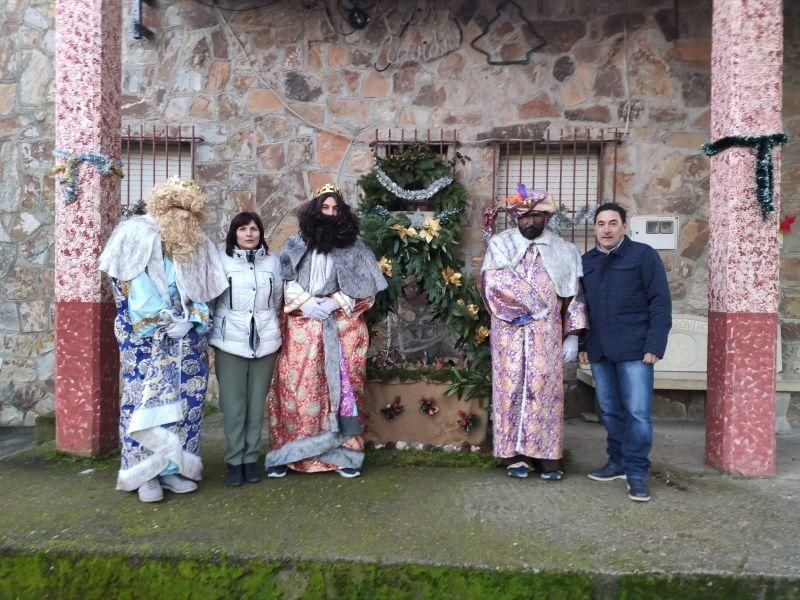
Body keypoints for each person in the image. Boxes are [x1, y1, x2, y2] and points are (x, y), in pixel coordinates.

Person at [99, 178, 228, 503]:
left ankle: (174, 469)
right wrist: (158, 320)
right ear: (162, 207)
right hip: (146, 342)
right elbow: (126, 286)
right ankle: (144, 474)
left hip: (186, 344)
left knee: (186, 405)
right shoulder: (133, 234)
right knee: (144, 404)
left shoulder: (199, 244)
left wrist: (191, 321)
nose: (183, 216)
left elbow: (206, 292)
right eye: (177, 208)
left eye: (189, 211)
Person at [265, 183, 387, 478]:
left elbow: (367, 288)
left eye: (336, 209)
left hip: (342, 329)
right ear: (315, 210)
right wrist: (305, 303)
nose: (330, 213)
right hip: (302, 329)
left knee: (343, 389)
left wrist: (335, 302)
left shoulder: (355, 247)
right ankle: (291, 454)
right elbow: (283, 280)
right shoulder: (296, 243)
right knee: (297, 387)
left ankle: (344, 455)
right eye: (325, 207)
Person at [481, 187, 588, 480]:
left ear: (546, 217)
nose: (530, 222)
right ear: (517, 217)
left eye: (536, 216)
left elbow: (575, 295)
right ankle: (513, 455)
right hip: (509, 333)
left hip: (548, 336)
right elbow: (495, 283)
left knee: (545, 393)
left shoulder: (565, 250)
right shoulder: (501, 245)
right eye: (524, 216)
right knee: (510, 389)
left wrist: (573, 335)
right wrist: (537, 307)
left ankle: (547, 457)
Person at [579, 202, 671, 502]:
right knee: (609, 410)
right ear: (594, 228)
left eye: (612, 223)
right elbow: (583, 308)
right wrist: (583, 345)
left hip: (635, 350)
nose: (606, 229)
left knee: (638, 414)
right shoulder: (587, 261)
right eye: (601, 224)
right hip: (601, 351)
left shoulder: (643, 255)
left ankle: (636, 472)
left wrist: (655, 345)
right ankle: (617, 461)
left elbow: (660, 302)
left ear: (623, 226)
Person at [210, 212, 282, 487]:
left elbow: (276, 300)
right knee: (233, 405)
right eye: (243, 229)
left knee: (255, 405)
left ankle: (251, 459)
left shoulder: (272, 262)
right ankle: (234, 460)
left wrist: (268, 324)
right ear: (234, 234)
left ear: (261, 233)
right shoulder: (220, 260)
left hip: (264, 342)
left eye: (254, 229)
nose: (249, 234)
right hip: (230, 342)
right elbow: (214, 299)